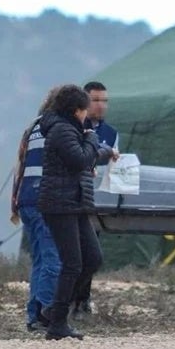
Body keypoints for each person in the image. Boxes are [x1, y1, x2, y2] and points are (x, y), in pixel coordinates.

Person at [38, 85, 115, 340]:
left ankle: (54, 309)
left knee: (92, 258)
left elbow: (87, 154)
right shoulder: (61, 130)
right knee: (72, 263)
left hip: (77, 203)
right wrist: (93, 137)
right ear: (76, 110)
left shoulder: (72, 129)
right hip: (61, 205)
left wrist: (107, 152)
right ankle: (57, 324)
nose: (88, 115)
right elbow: (81, 158)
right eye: (85, 110)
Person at [11, 86, 63, 333]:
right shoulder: (59, 128)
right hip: (46, 200)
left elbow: (20, 165)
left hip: (26, 200)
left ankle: (33, 315)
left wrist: (15, 203)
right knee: (53, 258)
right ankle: (46, 311)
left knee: (40, 259)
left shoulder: (32, 127)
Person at [70, 81, 120, 319]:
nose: (101, 105)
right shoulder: (74, 127)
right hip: (73, 197)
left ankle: (82, 299)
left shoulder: (111, 133)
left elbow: (114, 165)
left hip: (97, 199)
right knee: (73, 252)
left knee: (92, 252)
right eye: (96, 100)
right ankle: (66, 300)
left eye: (105, 101)